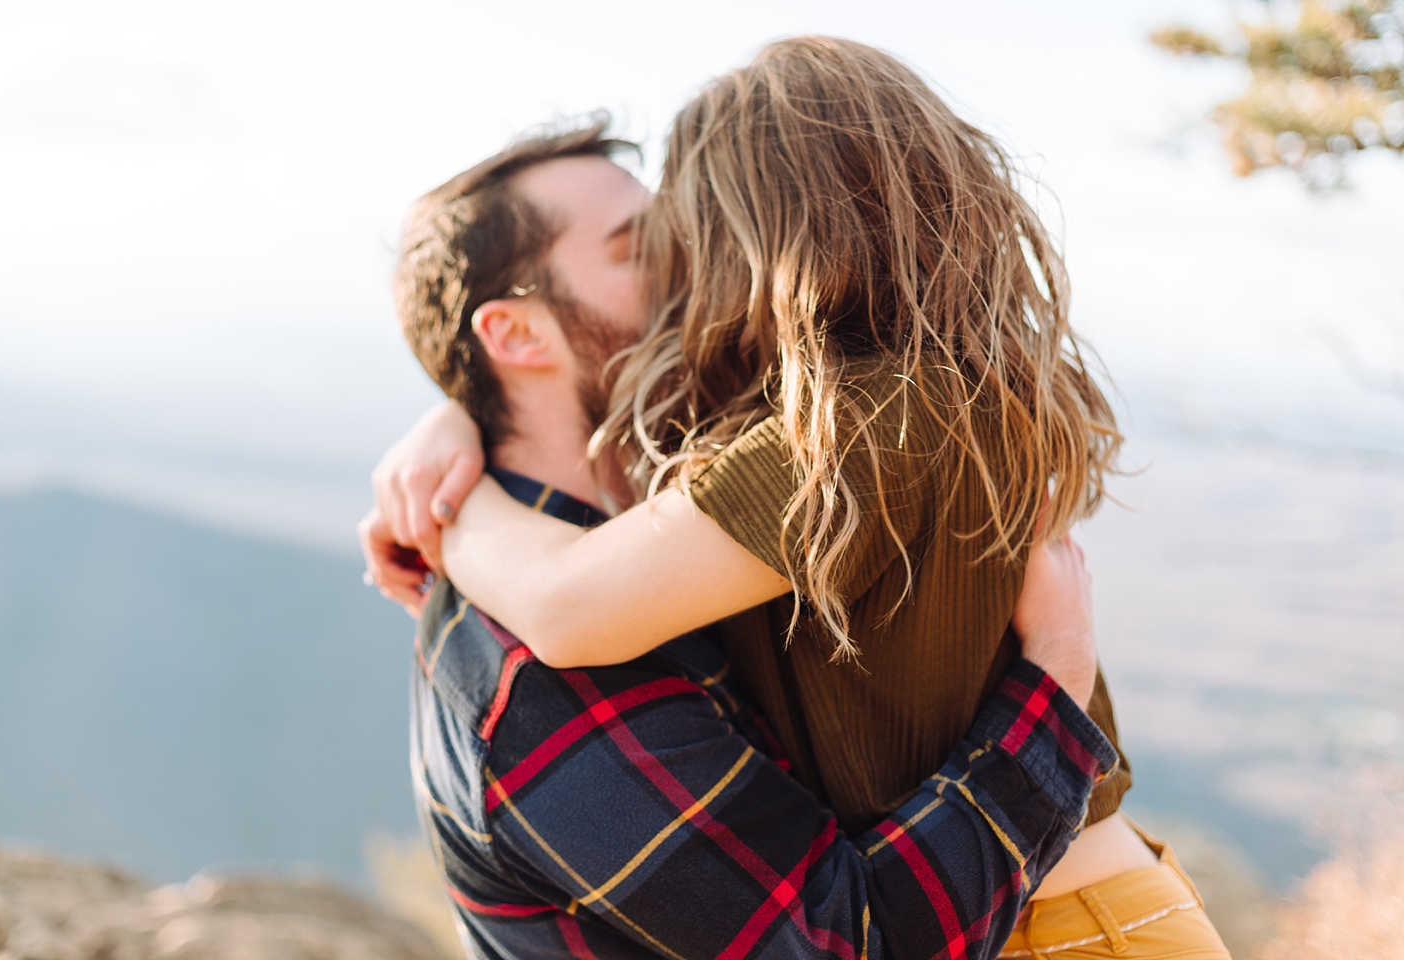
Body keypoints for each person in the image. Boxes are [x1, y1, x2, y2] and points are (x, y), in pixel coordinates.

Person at [369, 38, 1231, 960]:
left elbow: (570, 601)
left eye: (690, 236)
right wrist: (454, 424)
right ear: (513, 333)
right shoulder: (799, 432)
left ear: (770, 238)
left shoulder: (863, 427)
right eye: (642, 251)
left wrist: (455, 510)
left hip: (1074, 930)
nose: (683, 273)